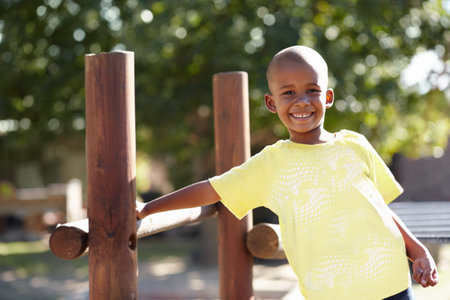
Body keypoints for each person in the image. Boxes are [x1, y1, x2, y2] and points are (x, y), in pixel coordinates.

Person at [137, 45, 439, 299]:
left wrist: (418, 250)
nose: (302, 101)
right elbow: (211, 189)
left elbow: (380, 210)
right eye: (289, 93)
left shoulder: (354, 144)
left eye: (312, 90)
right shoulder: (271, 164)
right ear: (272, 103)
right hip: (330, 293)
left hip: (392, 283)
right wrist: (149, 208)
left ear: (328, 98)